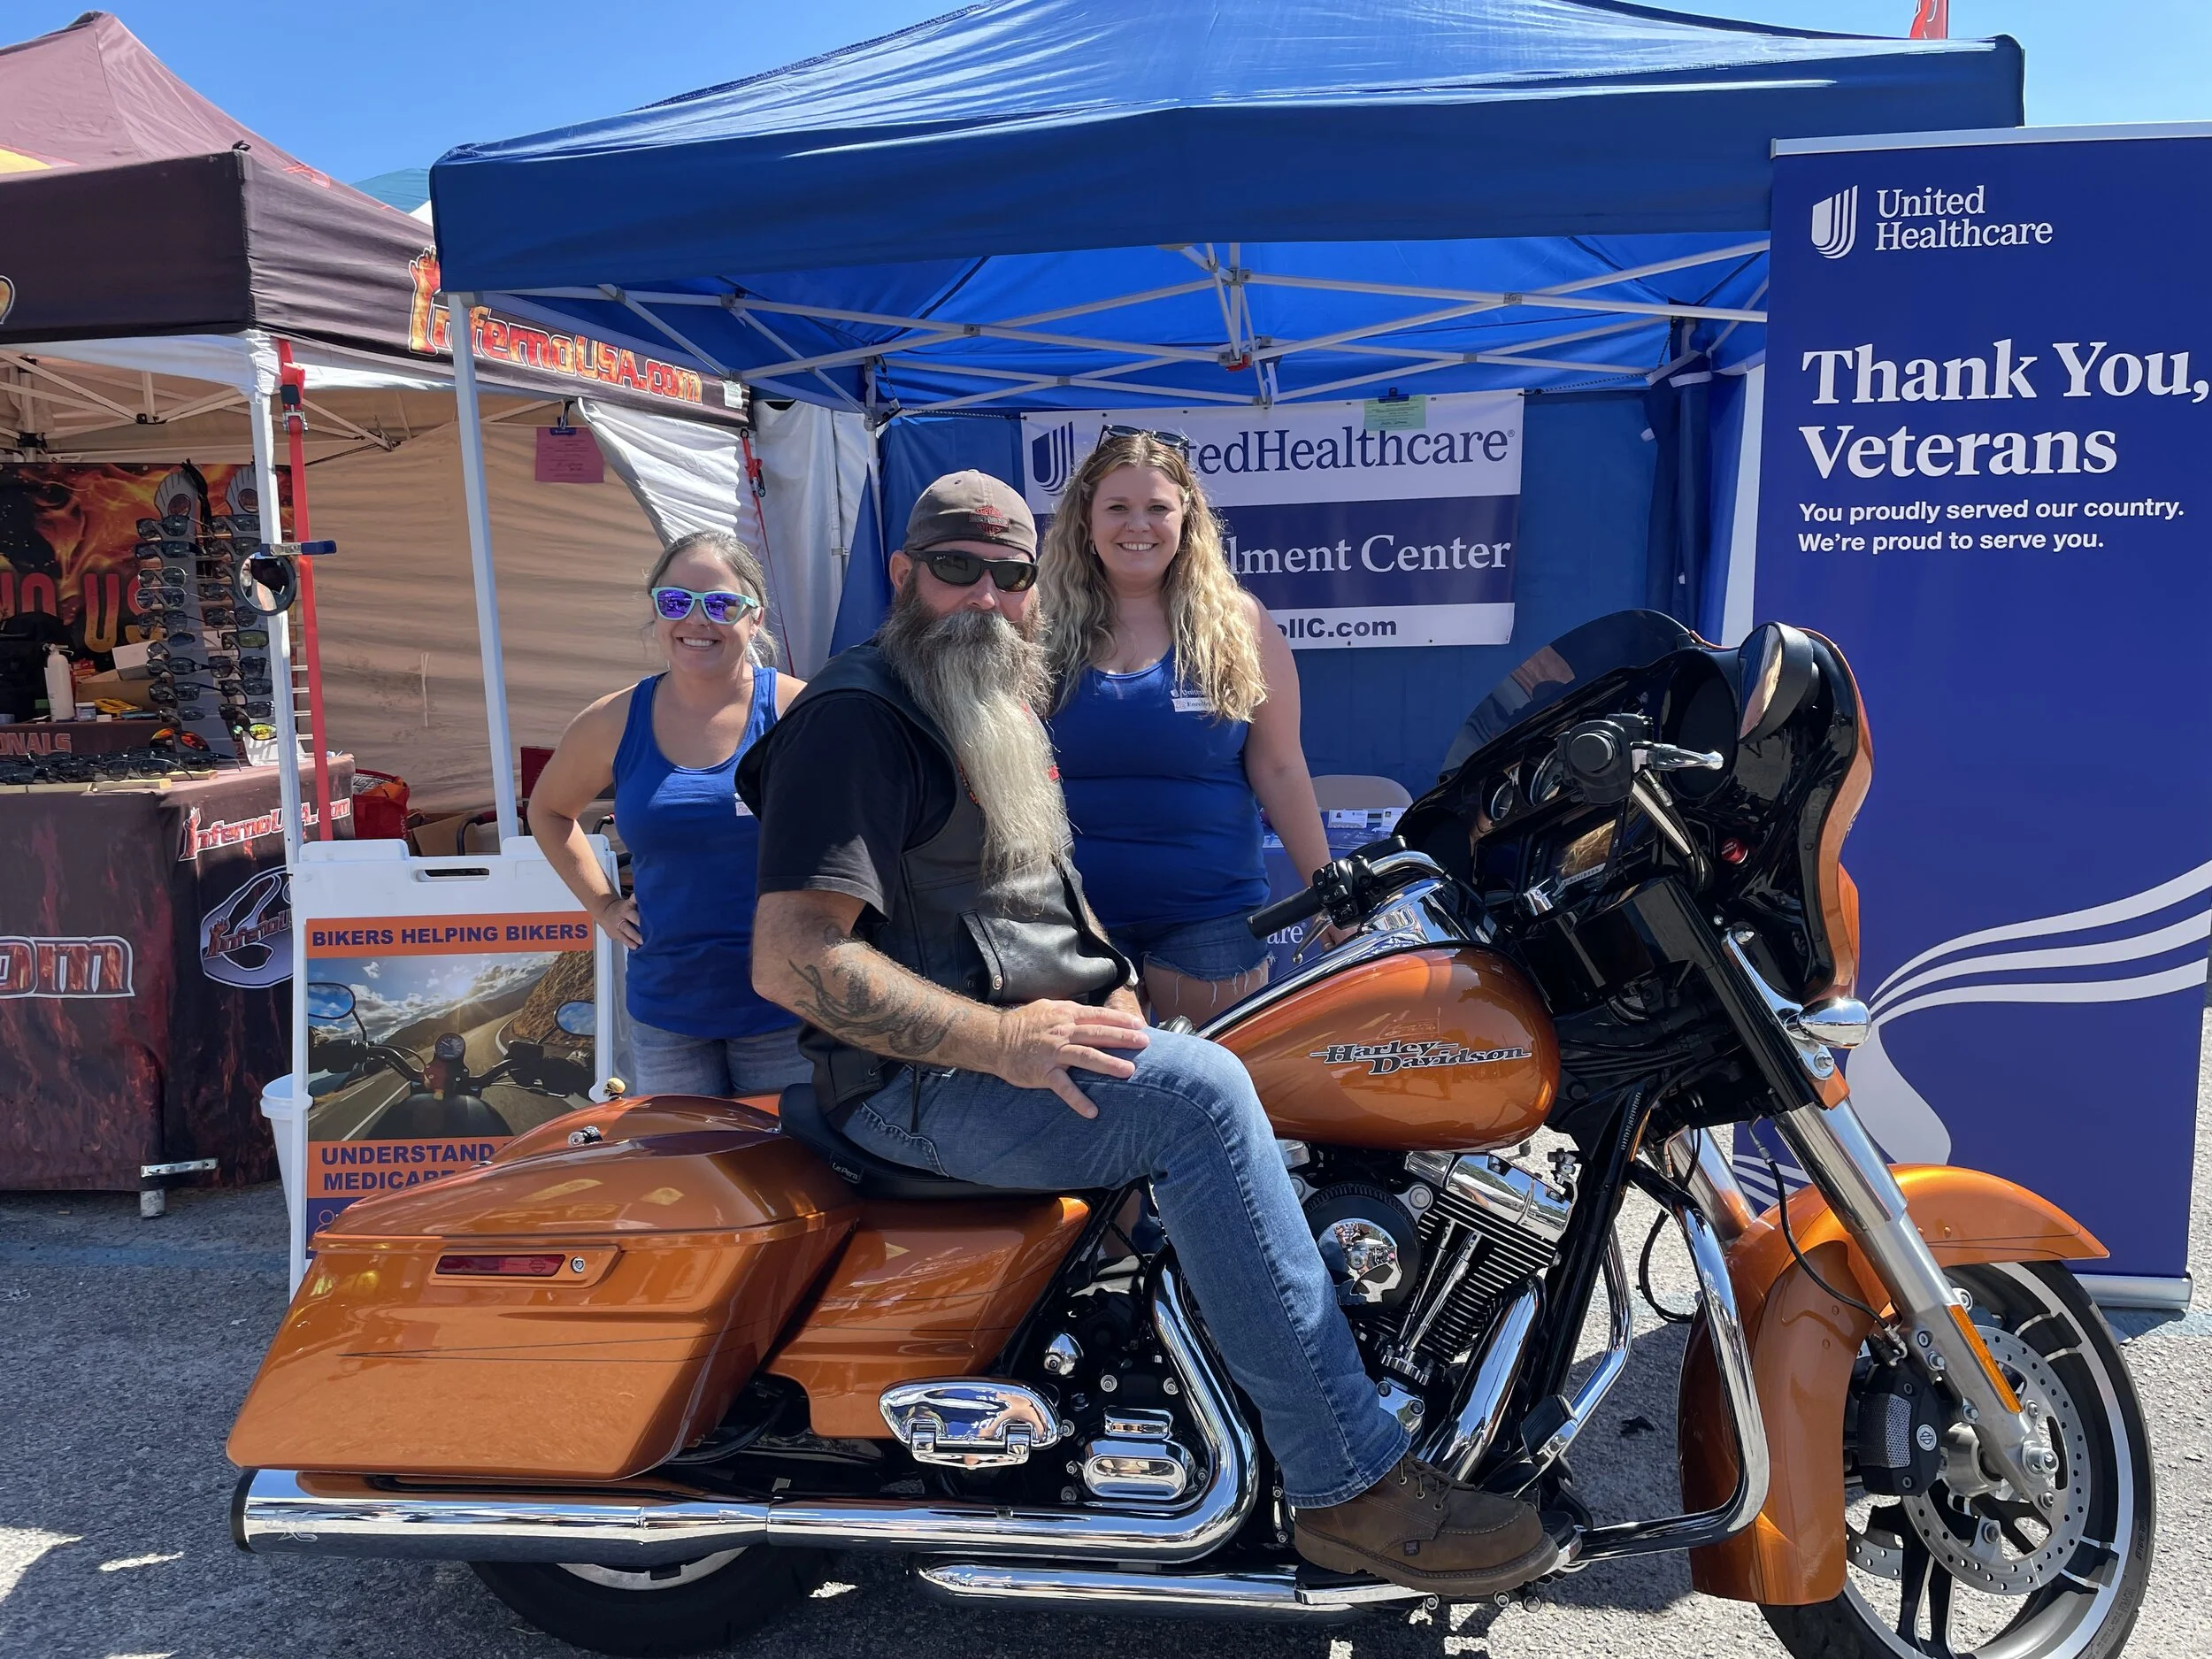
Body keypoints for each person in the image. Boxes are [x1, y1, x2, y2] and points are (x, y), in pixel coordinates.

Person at [740, 470, 1555, 1599]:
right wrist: (1001, 1040)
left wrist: (1116, 985)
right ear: (901, 573)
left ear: (1037, 583)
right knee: (1203, 1098)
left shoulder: (986, 699)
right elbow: (793, 960)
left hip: (1019, 1049)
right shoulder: (858, 717)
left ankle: (1265, 1388)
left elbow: (1044, 892)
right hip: (919, 1083)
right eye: (955, 567)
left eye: (1010, 573)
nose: (983, 595)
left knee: (1265, 1082)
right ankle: (1348, 1487)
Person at [1039, 427, 1334, 1023]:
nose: (1137, 525)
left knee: (1213, 1095)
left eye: (1157, 508)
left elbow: (1279, 766)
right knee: (1095, 1104)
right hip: (1071, 919)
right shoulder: (1038, 624)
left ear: (1187, 518)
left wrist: (1327, 895)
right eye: (1117, 507)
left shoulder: (1238, 623)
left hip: (1211, 919)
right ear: (1085, 521)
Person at [531, 529, 810, 1098]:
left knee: (790, 1177)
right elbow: (549, 810)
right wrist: (603, 905)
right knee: (683, 1178)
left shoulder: (801, 713)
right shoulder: (612, 721)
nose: (696, 621)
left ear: (755, 618)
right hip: (668, 1013)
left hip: (786, 1010)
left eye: (721, 604)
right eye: (676, 602)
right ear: (657, 613)